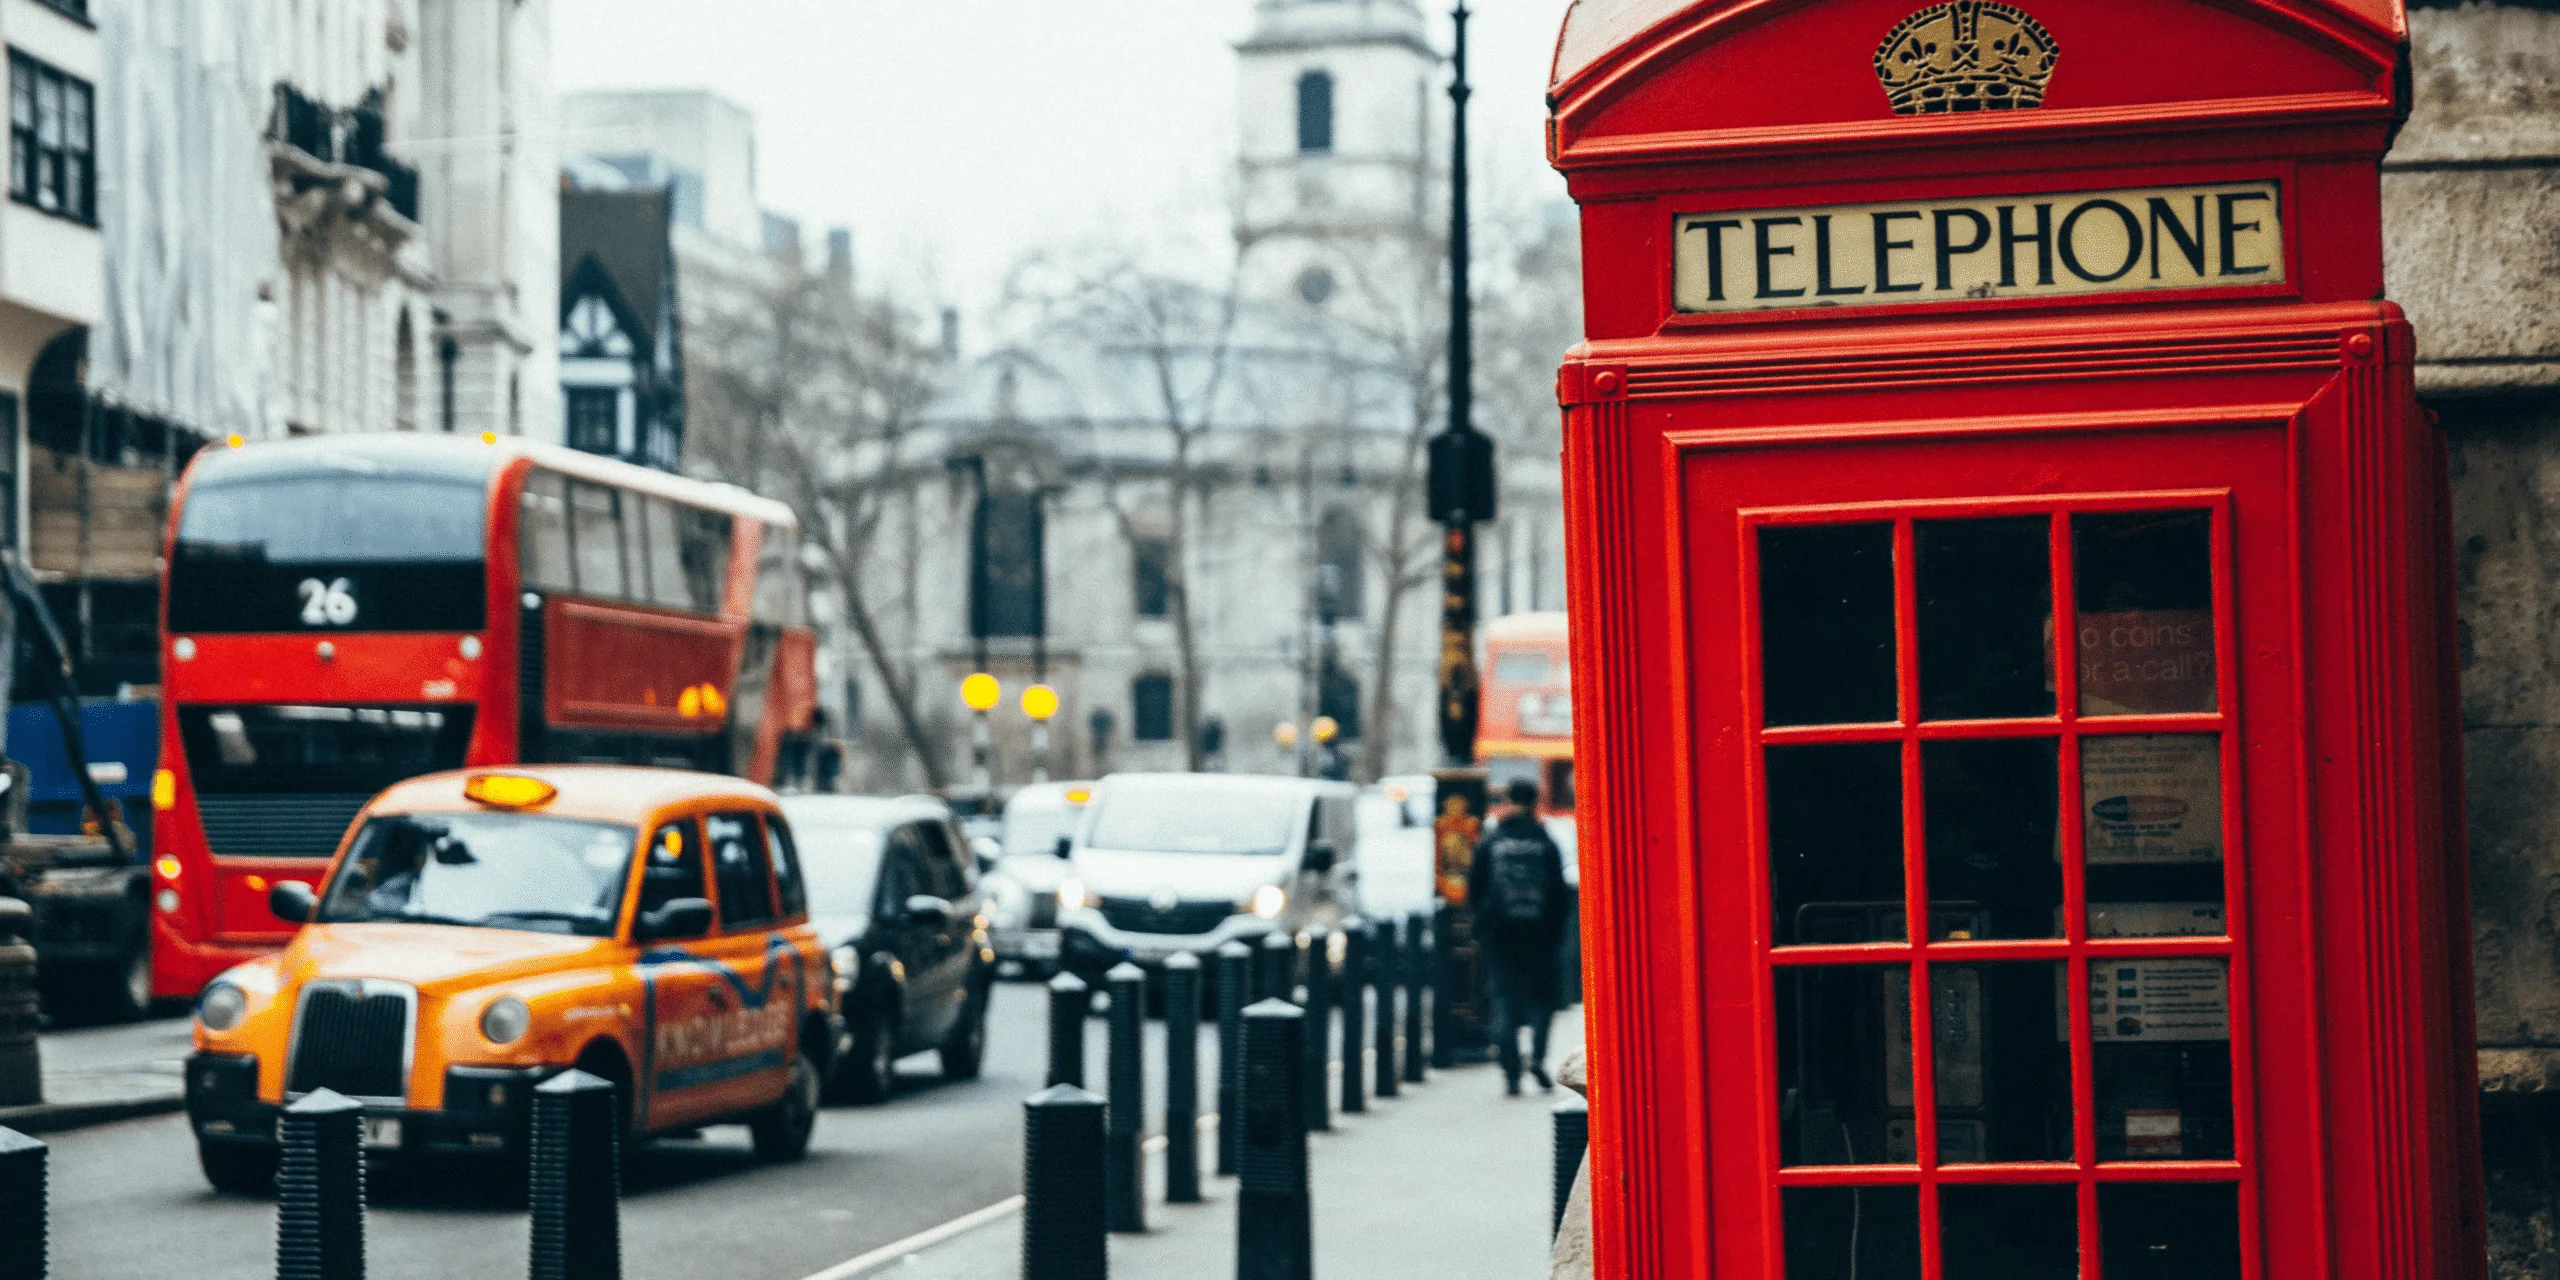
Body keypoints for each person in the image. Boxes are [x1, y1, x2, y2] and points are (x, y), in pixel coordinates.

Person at [1468, 778, 1573, 1095]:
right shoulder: (1545, 841)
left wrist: (1482, 926)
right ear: (1534, 803)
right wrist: (1556, 934)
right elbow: (1559, 893)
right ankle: (1538, 1057)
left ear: (1510, 801)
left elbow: (1475, 889)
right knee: (1542, 1001)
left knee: (1504, 998)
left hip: (1501, 936)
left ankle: (1511, 1069)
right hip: (1540, 936)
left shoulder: (1493, 841)